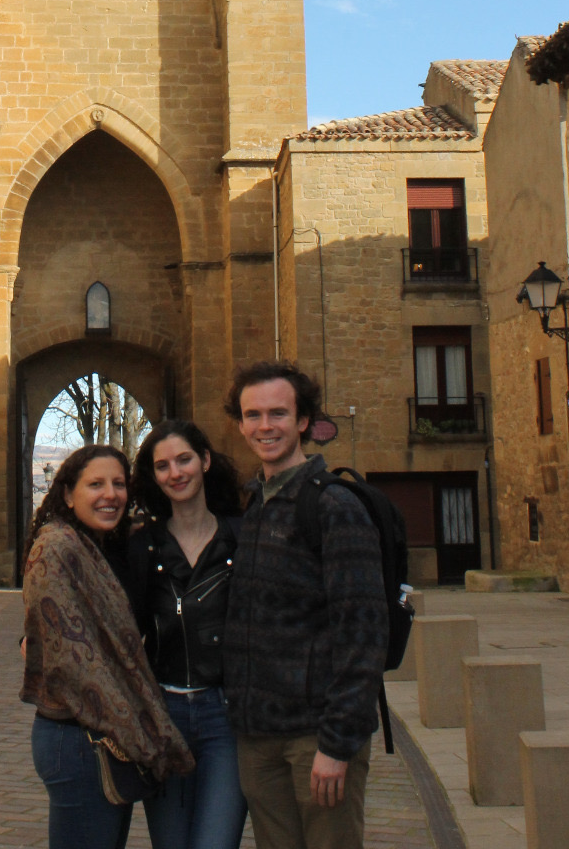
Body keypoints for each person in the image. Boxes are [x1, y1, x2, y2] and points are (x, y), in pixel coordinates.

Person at [222, 360, 388, 849]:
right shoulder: (256, 505)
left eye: (277, 413)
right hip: (258, 739)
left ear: (302, 422)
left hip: (315, 740)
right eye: (253, 415)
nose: (264, 426)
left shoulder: (335, 507)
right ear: (240, 423)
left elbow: (364, 633)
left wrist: (337, 744)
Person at [22, 443, 194, 849]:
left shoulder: (99, 549)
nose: (110, 494)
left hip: (102, 738)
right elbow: (74, 659)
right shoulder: (57, 546)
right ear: (67, 493)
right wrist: (143, 733)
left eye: (119, 484)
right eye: (95, 484)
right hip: (81, 740)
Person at [129, 420, 248, 849]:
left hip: (226, 719)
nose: (175, 473)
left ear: (205, 461)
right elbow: (113, 619)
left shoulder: (242, 537)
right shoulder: (142, 547)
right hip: (165, 718)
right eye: (162, 466)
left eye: (183, 460)